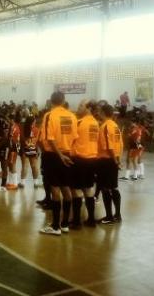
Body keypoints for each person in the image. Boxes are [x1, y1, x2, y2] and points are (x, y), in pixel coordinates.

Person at [39, 91, 78, 236]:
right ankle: (65, 224)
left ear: (51, 101)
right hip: (67, 154)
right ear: (63, 100)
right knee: (66, 188)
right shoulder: (72, 116)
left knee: (55, 190)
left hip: (54, 155)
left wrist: (60, 155)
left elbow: (49, 138)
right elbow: (75, 137)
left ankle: (55, 226)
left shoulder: (49, 115)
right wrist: (66, 152)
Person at [70, 100, 99, 229]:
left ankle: (76, 222)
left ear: (87, 108)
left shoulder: (80, 123)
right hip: (92, 160)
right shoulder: (95, 123)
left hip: (80, 160)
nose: (78, 107)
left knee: (77, 191)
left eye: (81, 105)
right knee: (89, 190)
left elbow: (71, 140)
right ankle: (91, 220)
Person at [96, 104, 123, 225]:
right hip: (114, 159)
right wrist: (118, 159)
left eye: (99, 111)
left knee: (105, 188)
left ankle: (109, 217)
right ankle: (117, 214)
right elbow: (120, 144)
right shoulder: (115, 126)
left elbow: (109, 146)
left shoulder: (105, 126)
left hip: (106, 160)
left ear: (102, 112)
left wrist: (114, 160)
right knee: (114, 187)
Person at [6, 114, 21, 190]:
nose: (8, 120)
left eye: (8, 119)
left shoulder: (14, 127)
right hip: (11, 148)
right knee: (9, 164)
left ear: (12, 120)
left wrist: (9, 146)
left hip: (13, 148)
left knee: (12, 164)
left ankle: (15, 183)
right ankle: (10, 182)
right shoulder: (12, 126)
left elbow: (11, 139)